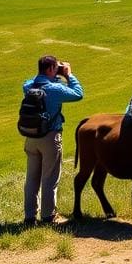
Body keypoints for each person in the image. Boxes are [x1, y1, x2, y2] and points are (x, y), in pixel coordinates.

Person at [23, 55, 84, 226]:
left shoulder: (29, 87)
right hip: (50, 137)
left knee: (32, 179)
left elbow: (29, 81)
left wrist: (51, 73)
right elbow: (78, 94)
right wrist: (68, 75)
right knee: (49, 178)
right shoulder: (55, 89)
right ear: (50, 69)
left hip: (31, 137)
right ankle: (48, 217)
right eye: (55, 67)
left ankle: (30, 217)